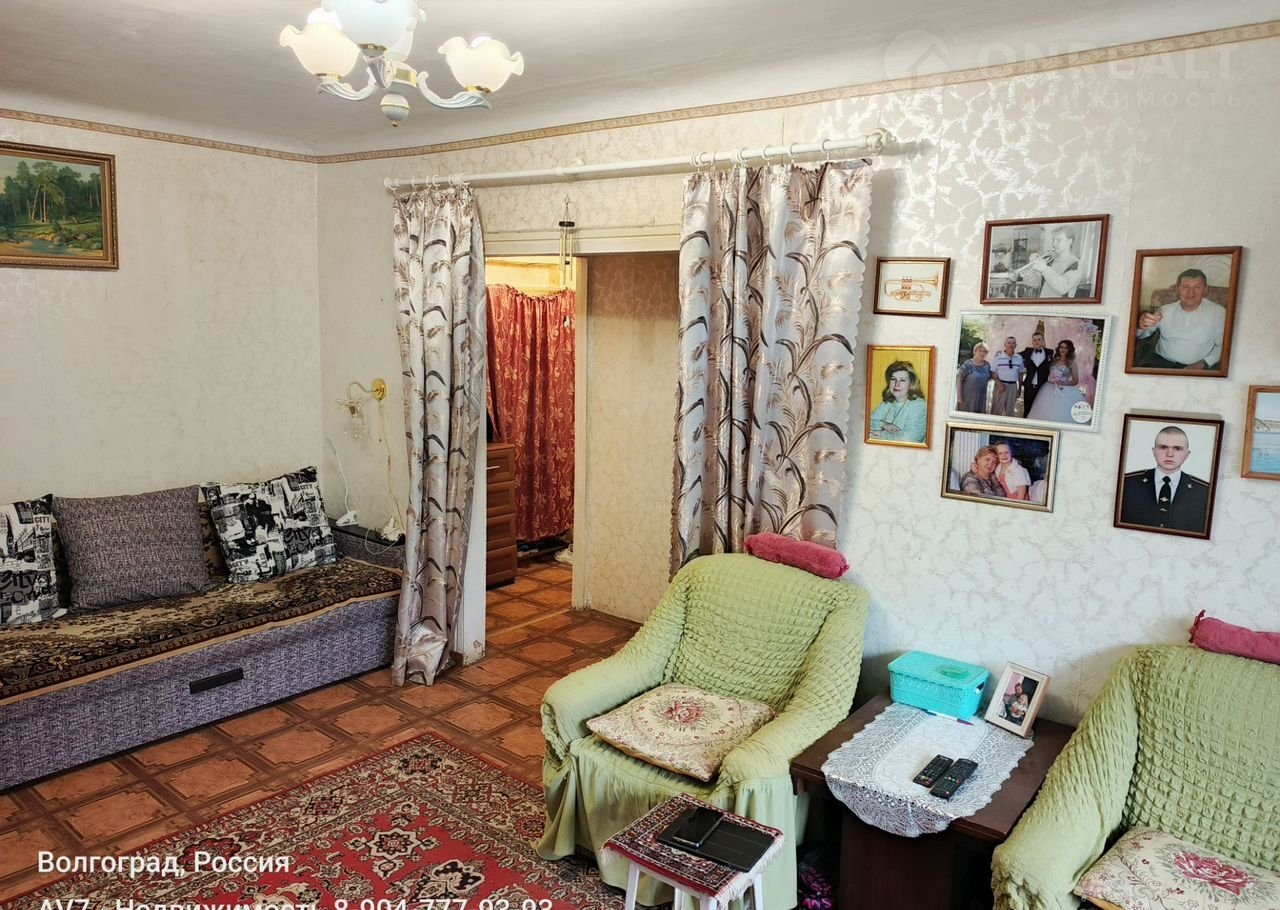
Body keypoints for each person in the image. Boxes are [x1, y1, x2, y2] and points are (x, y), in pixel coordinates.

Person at [1119, 425, 1212, 533]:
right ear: (1154, 451)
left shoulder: (1204, 491)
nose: (1169, 454)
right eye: (1163, 447)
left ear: (1187, 454)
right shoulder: (1127, 483)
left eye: (1177, 448)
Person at [1134, 268, 1226, 370]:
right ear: (1178, 289)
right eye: (1185, 287)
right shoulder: (1164, 310)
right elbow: (1141, 335)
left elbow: (1223, 345)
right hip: (1160, 362)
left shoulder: (1219, 312)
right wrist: (1141, 326)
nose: (1190, 293)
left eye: (1197, 287)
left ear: (1205, 290)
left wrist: (1204, 363)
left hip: (1198, 367)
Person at [1026, 340, 1088, 424]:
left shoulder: (1071, 363)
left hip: (1064, 389)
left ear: (1069, 350)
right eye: (1061, 347)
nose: (1063, 349)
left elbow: (1075, 380)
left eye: (1066, 348)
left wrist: (1063, 383)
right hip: (1049, 388)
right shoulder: (1054, 361)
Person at [868, 360, 927, 444]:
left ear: (911, 383)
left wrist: (879, 433)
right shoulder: (887, 402)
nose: (896, 384)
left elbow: (910, 440)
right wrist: (883, 424)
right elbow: (866, 423)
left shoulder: (919, 406)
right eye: (893, 379)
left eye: (902, 380)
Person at [1026, 226, 1083, 298]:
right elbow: (1033, 283)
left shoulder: (1075, 263)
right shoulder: (1050, 259)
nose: (1054, 244)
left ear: (1069, 241)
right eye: (1053, 240)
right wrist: (1031, 265)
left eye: (1058, 240)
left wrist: (1044, 269)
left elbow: (1062, 288)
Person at [990, 337, 1025, 417]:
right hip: (1000, 386)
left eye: (1013, 343)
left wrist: (1019, 388)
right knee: (996, 410)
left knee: (1010, 412)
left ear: (1016, 345)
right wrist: (999, 384)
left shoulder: (1019, 358)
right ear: (1005, 344)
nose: (1011, 345)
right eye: (1009, 343)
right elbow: (991, 372)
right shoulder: (998, 358)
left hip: (1013, 386)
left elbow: (1020, 373)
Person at [1020, 332, 1053, 416]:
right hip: (1029, 387)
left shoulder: (1050, 352)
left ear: (1043, 341)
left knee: (1040, 409)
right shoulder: (1027, 351)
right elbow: (1014, 355)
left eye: (1039, 339)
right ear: (1032, 342)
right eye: (1034, 340)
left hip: (1042, 387)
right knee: (1027, 409)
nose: (1037, 342)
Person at [956, 343, 992, 413]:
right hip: (967, 399)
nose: (982, 353)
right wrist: (959, 397)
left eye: (984, 351)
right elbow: (959, 378)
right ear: (974, 352)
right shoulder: (968, 364)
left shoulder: (987, 365)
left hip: (981, 400)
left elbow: (990, 376)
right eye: (980, 351)